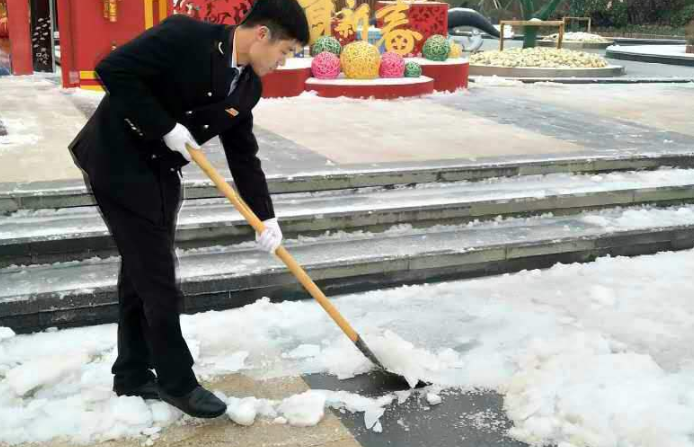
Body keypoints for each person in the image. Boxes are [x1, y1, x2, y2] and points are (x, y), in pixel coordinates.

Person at [68, 0, 309, 419]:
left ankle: (131, 374)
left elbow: (244, 156)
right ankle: (177, 382)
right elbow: (112, 69)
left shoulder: (248, 86)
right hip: (116, 160)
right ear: (262, 35)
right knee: (158, 278)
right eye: (285, 51)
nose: (283, 61)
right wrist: (163, 125)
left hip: (160, 173)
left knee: (140, 275)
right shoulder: (185, 36)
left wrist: (265, 216)